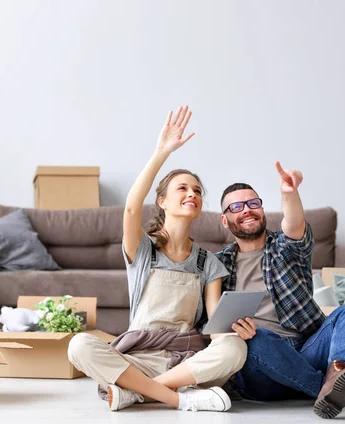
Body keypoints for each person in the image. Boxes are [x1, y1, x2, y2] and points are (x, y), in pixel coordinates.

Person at [68, 105, 251, 413]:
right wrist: (161, 151)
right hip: (137, 358)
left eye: (197, 190)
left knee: (234, 348)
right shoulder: (143, 250)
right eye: (183, 188)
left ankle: (137, 393)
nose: (192, 193)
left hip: (184, 360)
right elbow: (130, 208)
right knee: (78, 346)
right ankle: (177, 399)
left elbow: (216, 330)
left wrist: (234, 332)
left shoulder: (209, 263)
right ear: (163, 201)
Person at [216, 162, 345, 419]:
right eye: (236, 207)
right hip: (258, 366)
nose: (247, 211)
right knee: (259, 338)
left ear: (262, 210)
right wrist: (233, 333)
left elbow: (294, 224)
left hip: (307, 348)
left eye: (253, 203)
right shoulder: (218, 265)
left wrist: (289, 193)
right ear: (225, 220)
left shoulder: (285, 248)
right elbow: (208, 323)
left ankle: (338, 373)